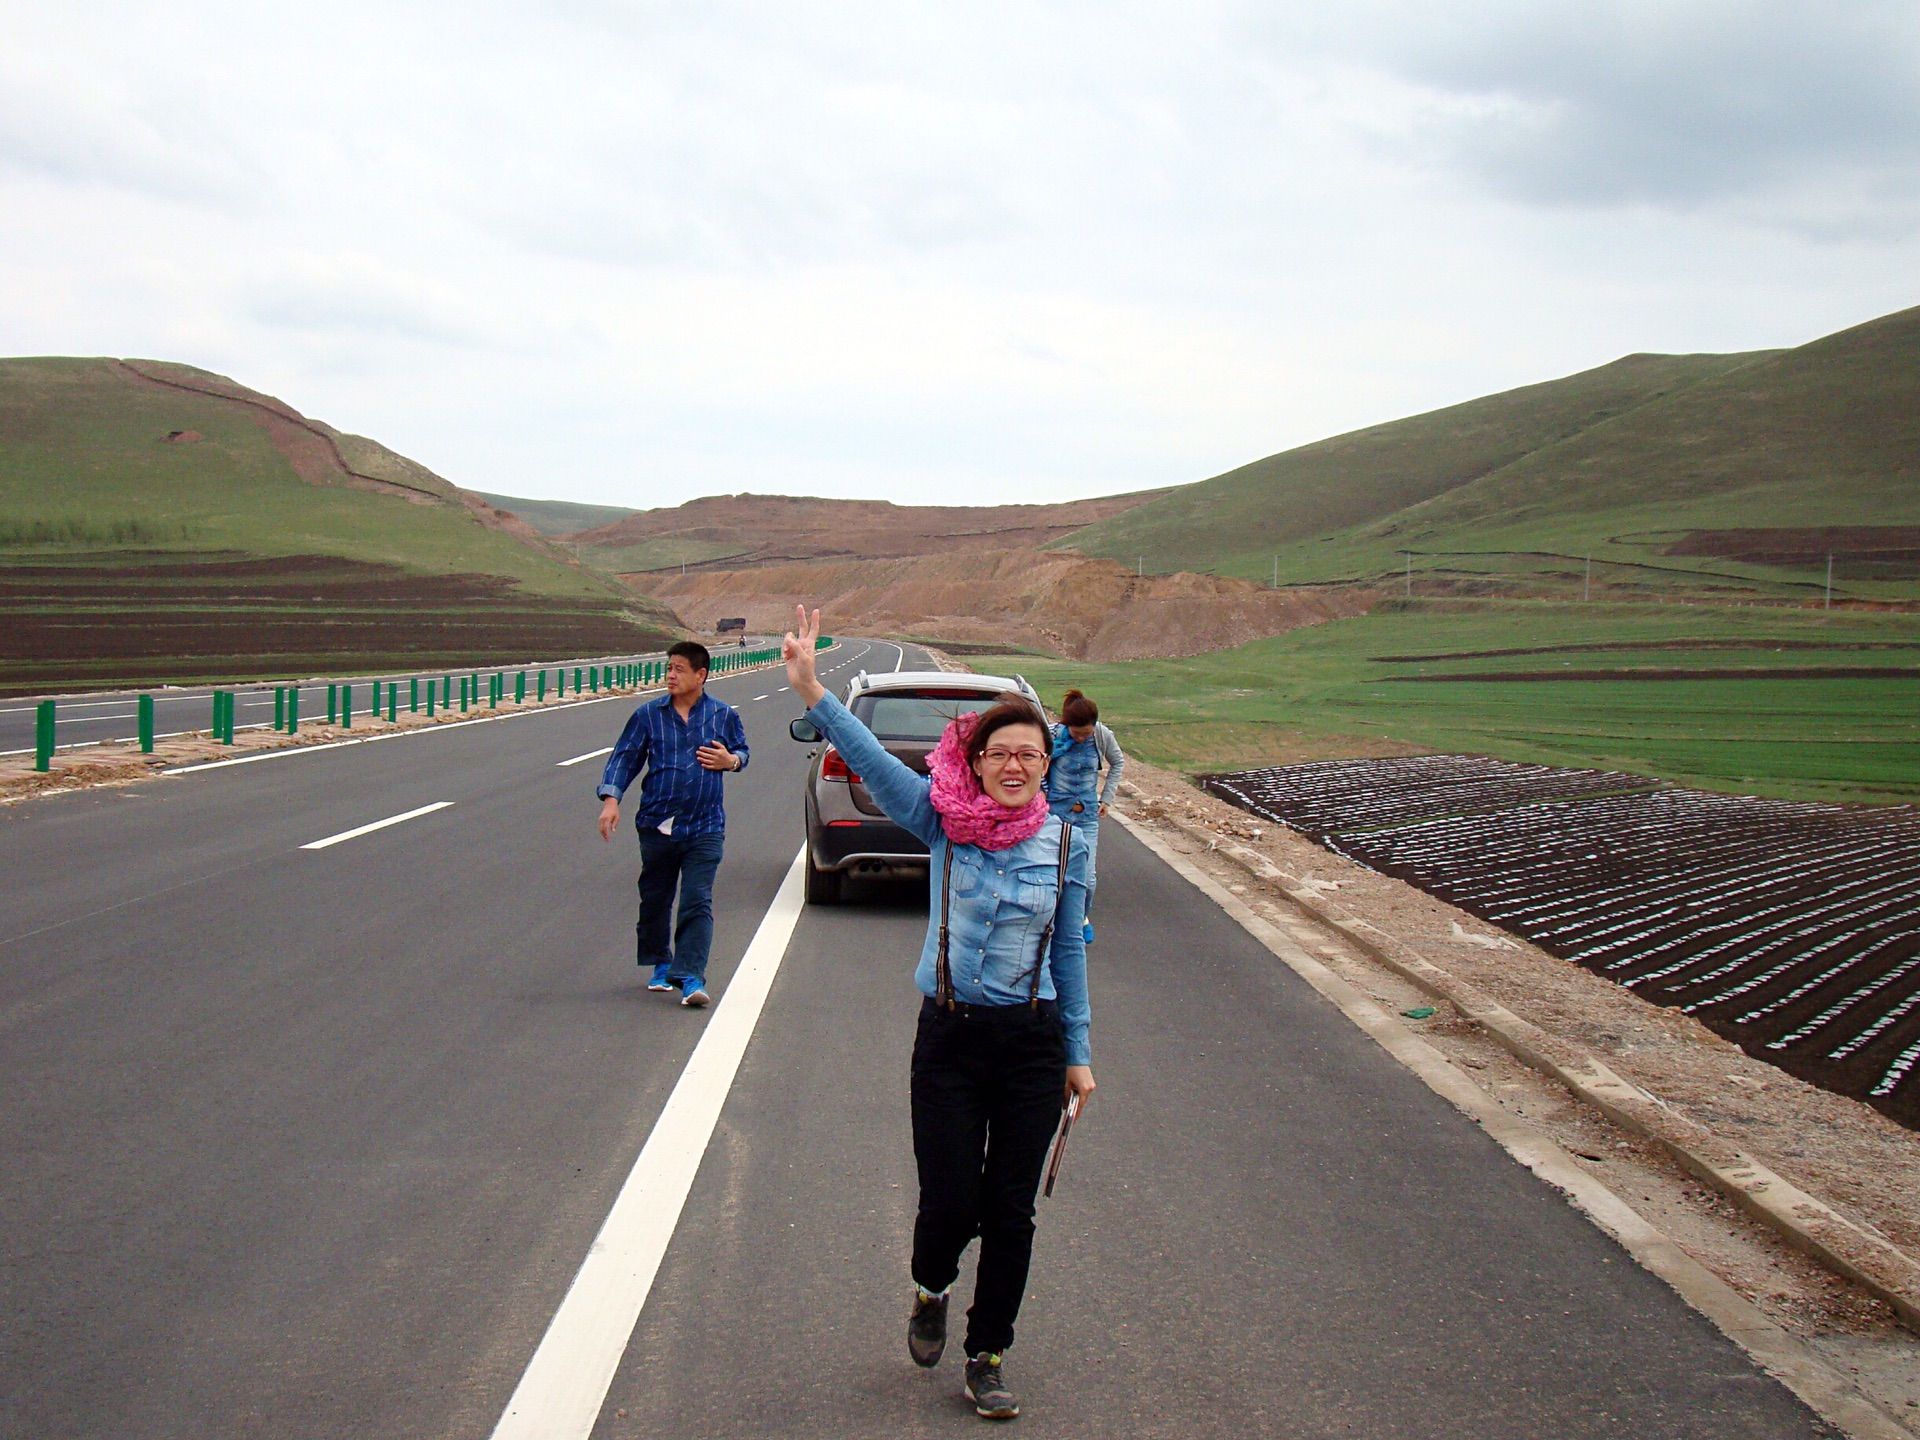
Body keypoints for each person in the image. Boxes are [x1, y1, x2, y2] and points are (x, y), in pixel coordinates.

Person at [782, 605, 1094, 1422]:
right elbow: (876, 765)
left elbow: (1068, 955)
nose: (1017, 765)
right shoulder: (944, 823)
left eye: (1031, 753)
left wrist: (1078, 1050)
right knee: (951, 1203)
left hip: (1031, 1041)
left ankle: (988, 1353)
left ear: (1044, 761)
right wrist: (814, 691)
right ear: (977, 760)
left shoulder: (1066, 844)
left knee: (1012, 1210)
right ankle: (931, 1288)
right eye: (1002, 753)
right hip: (950, 1037)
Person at [596, 640, 749, 1008]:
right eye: (669, 668)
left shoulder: (723, 715)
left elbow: (743, 752)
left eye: (679, 669)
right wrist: (611, 801)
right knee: (655, 898)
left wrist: (730, 761)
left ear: (701, 674)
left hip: (706, 826)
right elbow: (625, 759)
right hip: (656, 825)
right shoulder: (648, 716)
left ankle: (692, 976)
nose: (670, 675)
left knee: (698, 900)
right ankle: (661, 961)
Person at [1042, 689, 1125, 945]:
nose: (1080, 739)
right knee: (1055, 873)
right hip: (1055, 815)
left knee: (1087, 878)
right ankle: (1054, 923)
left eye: (1085, 734)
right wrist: (1041, 800)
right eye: (1076, 734)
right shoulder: (1052, 735)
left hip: (1087, 815)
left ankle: (1080, 917)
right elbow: (1038, 768)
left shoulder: (1102, 735)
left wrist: (1107, 798)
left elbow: (1117, 762)